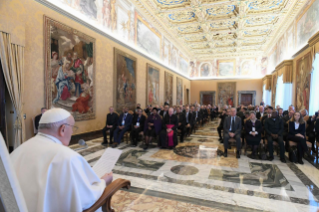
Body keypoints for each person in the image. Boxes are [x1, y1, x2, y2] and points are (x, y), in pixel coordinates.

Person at [10, 108, 113, 212]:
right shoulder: (67, 157)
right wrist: (103, 182)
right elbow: (86, 199)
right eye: (72, 128)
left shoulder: (19, 150)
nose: (72, 132)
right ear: (62, 129)